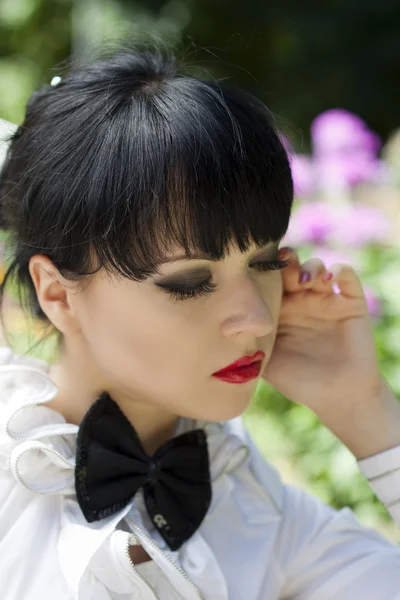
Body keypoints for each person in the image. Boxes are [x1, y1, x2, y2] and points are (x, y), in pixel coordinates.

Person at [0, 41, 399, 600]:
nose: (256, 318)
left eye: (265, 262)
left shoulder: (252, 501)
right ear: (57, 294)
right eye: (188, 283)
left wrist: (363, 407)